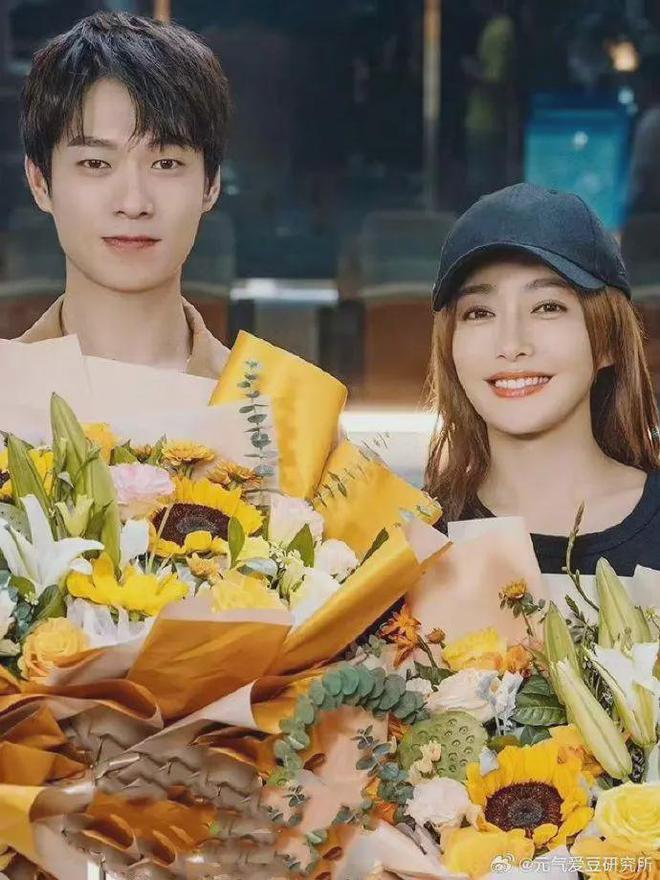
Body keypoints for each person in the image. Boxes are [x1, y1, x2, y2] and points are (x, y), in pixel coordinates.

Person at [426, 182, 660, 576]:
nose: (511, 345)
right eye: (479, 313)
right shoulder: (411, 544)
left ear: (608, 340)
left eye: (547, 307)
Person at [16, 11, 231, 379]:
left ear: (211, 185)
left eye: (165, 163)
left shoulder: (284, 405)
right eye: (96, 163)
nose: (133, 204)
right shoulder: (8, 387)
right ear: (39, 181)